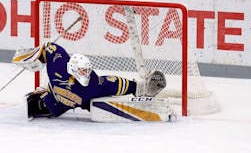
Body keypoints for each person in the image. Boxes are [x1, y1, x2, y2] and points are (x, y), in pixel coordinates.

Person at [12, 42, 166, 121]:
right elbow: (48, 48)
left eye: (87, 70)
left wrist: (139, 87)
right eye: (82, 71)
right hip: (52, 104)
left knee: (96, 104)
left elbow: (115, 83)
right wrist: (30, 58)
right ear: (72, 69)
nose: (86, 73)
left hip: (65, 105)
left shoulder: (93, 84)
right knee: (34, 104)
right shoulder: (59, 67)